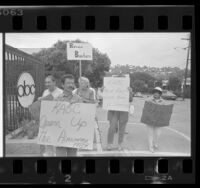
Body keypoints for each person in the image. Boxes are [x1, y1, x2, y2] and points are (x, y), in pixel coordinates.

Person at [55, 74, 82, 156]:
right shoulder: (56, 99)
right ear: (62, 85)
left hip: (73, 134)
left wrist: (76, 107)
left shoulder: (78, 99)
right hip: (60, 134)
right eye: (68, 83)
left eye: (72, 83)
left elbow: (83, 116)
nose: (71, 85)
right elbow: (52, 117)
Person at [105, 75, 133, 151]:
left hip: (123, 110)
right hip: (113, 110)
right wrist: (103, 90)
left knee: (122, 129)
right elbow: (104, 96)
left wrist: (130, 92)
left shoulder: (128, 88)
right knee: (112, 128)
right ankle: (109, 144)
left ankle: (120, 144)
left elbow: (130, 100)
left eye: (122, 79)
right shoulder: (110, 86)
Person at [38, 75, 63, 156]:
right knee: (48, 140)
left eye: (49, 82)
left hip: (58, 120)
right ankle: (50, 155)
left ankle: (58, 155)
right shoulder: (45, 92)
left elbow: (65, 107)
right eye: (46, 82)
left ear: (54, 82)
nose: (47, 84)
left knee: (58, 140)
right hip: (48, 120)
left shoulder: (60, 92)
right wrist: (40, 100)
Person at [145, 87, 164, 153]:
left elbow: (164, 111)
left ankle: (155, 142)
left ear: (160, 94)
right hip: (150, 120)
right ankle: (151, 147)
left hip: (158, 120)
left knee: (158, 134)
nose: (155, 94)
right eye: (154, 92)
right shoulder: (148, 100)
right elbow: (146, 109)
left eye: (157, 93)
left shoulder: (163, 101)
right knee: (150, 134)